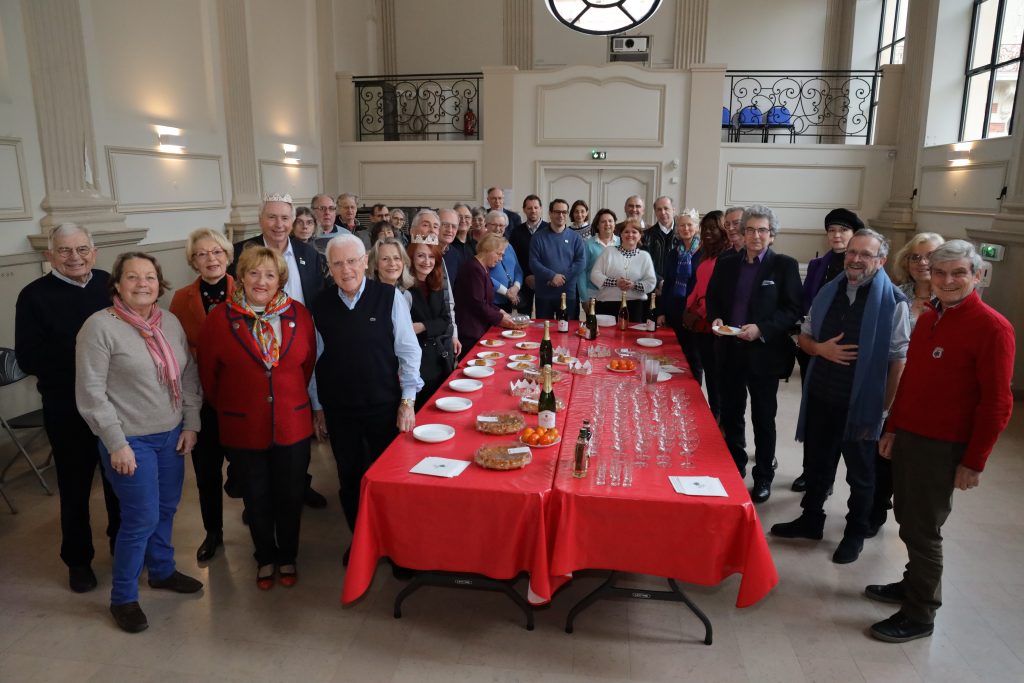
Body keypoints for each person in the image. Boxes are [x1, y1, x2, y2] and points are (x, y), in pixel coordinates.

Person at [866, 240, 1014, 644]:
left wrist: (974, 461)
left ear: (977, 275)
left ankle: (920, 613)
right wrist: (893, 428)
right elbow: (912, 380)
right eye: (940, 273)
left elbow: (998, 403)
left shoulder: (993, 327)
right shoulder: (931, 316)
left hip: (943, 446)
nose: (948, 281)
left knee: (923, 528)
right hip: (910, 437)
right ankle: (912, 584)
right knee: (907, 517)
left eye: (959, 273)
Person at [75, 251, 203, 633]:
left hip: (171, 434)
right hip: (130, 440)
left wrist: (191, 423)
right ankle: (123, 598)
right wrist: (116, 443)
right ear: (117, 284)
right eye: (132, 277)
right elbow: (91, 393)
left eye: (149, 276)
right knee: (140, 517)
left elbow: (188, 375)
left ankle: (162, 571)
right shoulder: (99, 327)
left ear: (159, 283)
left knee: (166, 509)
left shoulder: (170, 322)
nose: (142, 283)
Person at [771, 229, 910, 565]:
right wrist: (821, 349)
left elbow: (898, 361)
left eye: (866, 254)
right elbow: (804, 338)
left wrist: (884, 410)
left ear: (881, 260)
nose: (856, 259)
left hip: (862, 405)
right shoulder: (827, 292)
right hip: (822, 395)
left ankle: (855, 533)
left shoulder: (894, 302)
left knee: (861, 475)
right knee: (818, 464)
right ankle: (811, 520)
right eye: (852, 252)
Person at [198, 246, 316, 591]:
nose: (261, 281)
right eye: (253, 273)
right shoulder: (220, 319)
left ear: (280, 279)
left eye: (269, 274)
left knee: (291, 495)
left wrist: (284, 397)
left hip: (292, 422)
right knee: (256, 496)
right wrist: (238, 405)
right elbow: (209, 377)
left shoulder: (299, 315)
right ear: (241, 277)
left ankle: (288, 554)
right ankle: (264, 556)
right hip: (243, 425)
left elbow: (306, 365)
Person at [14, 224, 121, 594]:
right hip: (67, 407)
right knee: (75, 489)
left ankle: (122, 546)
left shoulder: (108, 283)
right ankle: (78, 561)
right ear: (50, 256)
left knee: (119, 482)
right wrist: (89, 362)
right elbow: (29, 357)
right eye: (64, 250)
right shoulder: (33, 296)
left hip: (115, 405)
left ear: (94, 252)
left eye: (81, 249)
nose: (74, 257)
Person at [311, 234, 423, 544]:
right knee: (349, 478)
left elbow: (409, 351)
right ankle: (362, 543)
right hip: (340, 410)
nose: (345, 269)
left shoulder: (388, 297)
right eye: (337, 264)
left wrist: (407, 402)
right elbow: (316, 358)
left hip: (384, 406)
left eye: (351, 261)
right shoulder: (320, 304)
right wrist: (317, 406)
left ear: (364, 262)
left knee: (391, 477)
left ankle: (397, 544)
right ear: (329, 268)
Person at [232, 193, 327, 509]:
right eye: (272, 217)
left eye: (285, 218)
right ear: (261, 220)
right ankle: (258, 499)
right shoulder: (241, 252)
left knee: (297, 423)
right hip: (254, 352)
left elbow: (316, 299)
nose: (279, 224)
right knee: (258, 428)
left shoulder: (308, 253)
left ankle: (299, 484)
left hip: (297, 351)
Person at [707, 204, 801, 503]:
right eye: (750, 230)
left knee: (763, 417)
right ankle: (735, 466)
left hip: (763, 354)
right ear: (742, 232)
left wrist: (761, 328)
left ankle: (763, 475)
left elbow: (793, 309)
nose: (755, 235)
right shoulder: (726, 263)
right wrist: (716, 318)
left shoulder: (784, 265)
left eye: (762, 230)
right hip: (730, 350)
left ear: (772, 235)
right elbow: (714, 298)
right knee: (732, 413)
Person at [867, 231, 946, 532]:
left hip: (928, 391)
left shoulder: (951, 300)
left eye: (930, 257)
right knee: (881, 451)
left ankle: (910, 517)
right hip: (891, 382)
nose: (922, 262)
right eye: (916, 256)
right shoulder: (895, 293)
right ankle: (875, 510)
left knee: (912, 459)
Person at [169, 228, 235, 562]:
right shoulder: (181, 299)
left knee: (247, 467)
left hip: (239, 397)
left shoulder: (246, 289)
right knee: (206, 472)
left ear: (228, 256)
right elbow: (176, 348)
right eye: (202, 254)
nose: (211, 259)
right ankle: (213, 532)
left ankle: (257, 516)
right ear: (193, 261)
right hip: (201, 396)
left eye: (217, 252)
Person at [791, 207, 866, 492]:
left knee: (836, 420)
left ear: (854, 235)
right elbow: (806, 300)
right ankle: (810, 471)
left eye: (843, 231)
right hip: (814, 346)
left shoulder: (860, 267)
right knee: (813, 414)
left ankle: (827, 477)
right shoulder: (817, 265)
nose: (836, 236)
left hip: (843, 351)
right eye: (832, 231)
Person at [684, 210, 727, 420]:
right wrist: (688, 307)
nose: (708, 232)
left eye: (713, 228)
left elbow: (719, 293)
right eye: (705, 228)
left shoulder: (727, 256)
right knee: (708, 370)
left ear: (723, 230)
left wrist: (701, 310)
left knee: (717, 376)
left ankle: (718, 418)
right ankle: (713, 414)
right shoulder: (705, 254)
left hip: (714, 322)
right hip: (700, 321)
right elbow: (699, 285)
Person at [407, 235, 456, 409]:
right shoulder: (403, 287)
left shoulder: (435, 284)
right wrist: (433, 325)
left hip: (437, 359)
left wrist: (422, 326)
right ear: (411, 258)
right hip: (415, 364)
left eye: (431, 257)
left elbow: (446, 321)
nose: (426, 261)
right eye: (421, 256)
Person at [454, 233, 520, 351]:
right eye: (498, 254)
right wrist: (500, 318)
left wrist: (500, 311)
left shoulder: (483, 267)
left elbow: (485, 301)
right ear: (487, 250)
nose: (500, 259)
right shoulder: (474, 269)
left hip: (478, 327)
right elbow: (478, 304)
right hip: (471, 330)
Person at [410, 210, 462, 355]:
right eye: (426, 225)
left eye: (435, 226)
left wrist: (453, 334)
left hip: (437, 341)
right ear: (413, 231)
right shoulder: (402, 260)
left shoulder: (439, 261)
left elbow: (448, 301)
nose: (432, 230)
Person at [660, 208, 702, 376]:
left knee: (694, 359)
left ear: (696, 227)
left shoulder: (704, 253)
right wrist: (662, 311)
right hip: (674, 310)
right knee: (673, 357)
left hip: (694, 312)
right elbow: (668, 284)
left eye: (689, 225)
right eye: (682, 225)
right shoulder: (673, 253)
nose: (685, 229)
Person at [590, 218, 656, 321]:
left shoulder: (644, 256)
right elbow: (595, 275)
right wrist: (615, 282)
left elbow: (651, 282)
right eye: (626, 232)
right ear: (621, 234)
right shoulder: (608, 252)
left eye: (634, 232)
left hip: (635, 306)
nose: (630, 235)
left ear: (640, 236)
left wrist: (633, 285)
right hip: (607, 304)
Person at [529, 198, 586, 319]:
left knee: (567, 328)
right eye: (557, 212)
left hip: (567, 293)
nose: (561, 215)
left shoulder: (576, 238)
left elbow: (581, 262)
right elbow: (534, 263)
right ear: (550, 213)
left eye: (564, 212)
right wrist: (552, 276)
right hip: (544, 293)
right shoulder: (538, 237)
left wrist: (562, 278)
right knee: (544, 327)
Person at [509, 194, 548, 315]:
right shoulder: (516, 231)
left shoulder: (549, 230)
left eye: (536, 207)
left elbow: (552, 257)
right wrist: (526, 276)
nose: (533, 211)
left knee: (544, 317)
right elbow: (514, 259)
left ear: (541, 208)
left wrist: (539, 276)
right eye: (529, 208)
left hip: (545, 281)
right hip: (524, 281)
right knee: (523, 317)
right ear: (524, 210)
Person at [484, 210, 524, 313]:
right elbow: (483, 275)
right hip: (491, 300)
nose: (498, 228)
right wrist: (506, 292)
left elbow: (518, 270)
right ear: (487, 225)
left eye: (501, 225)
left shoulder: (508, 246)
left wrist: (516, 287)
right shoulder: (482, 246)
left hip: (508, 300)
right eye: (494, 225)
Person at [578, 208, 619, 306]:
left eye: (610, 221)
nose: (607, 224)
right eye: (603, 222)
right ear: (597, 225)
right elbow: (581, 272)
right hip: (593, 296)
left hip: (617, 295)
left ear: (614, 224)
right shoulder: (588, 244)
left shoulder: (622, 242)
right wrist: (584, 298)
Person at [643, 196, 676, 295]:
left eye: (666, 208)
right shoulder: (645, 236)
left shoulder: (683, 234)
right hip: (654, 290)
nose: (663, 212)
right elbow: (645, 265)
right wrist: (659, 283)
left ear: (673, 210)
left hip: (677, 289)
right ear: (655, 212)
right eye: (659, 209)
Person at [368, 237, 414, 307]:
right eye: (385, 259)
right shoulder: (367, 295)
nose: (392, 263)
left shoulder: (406, 296)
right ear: (375, 265)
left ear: (403, 262)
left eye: (396, 258)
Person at [438, 208, 465, 286]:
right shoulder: (424, 252)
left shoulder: (456, 255)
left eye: (454, 226)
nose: (449, 230)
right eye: (445, 225)